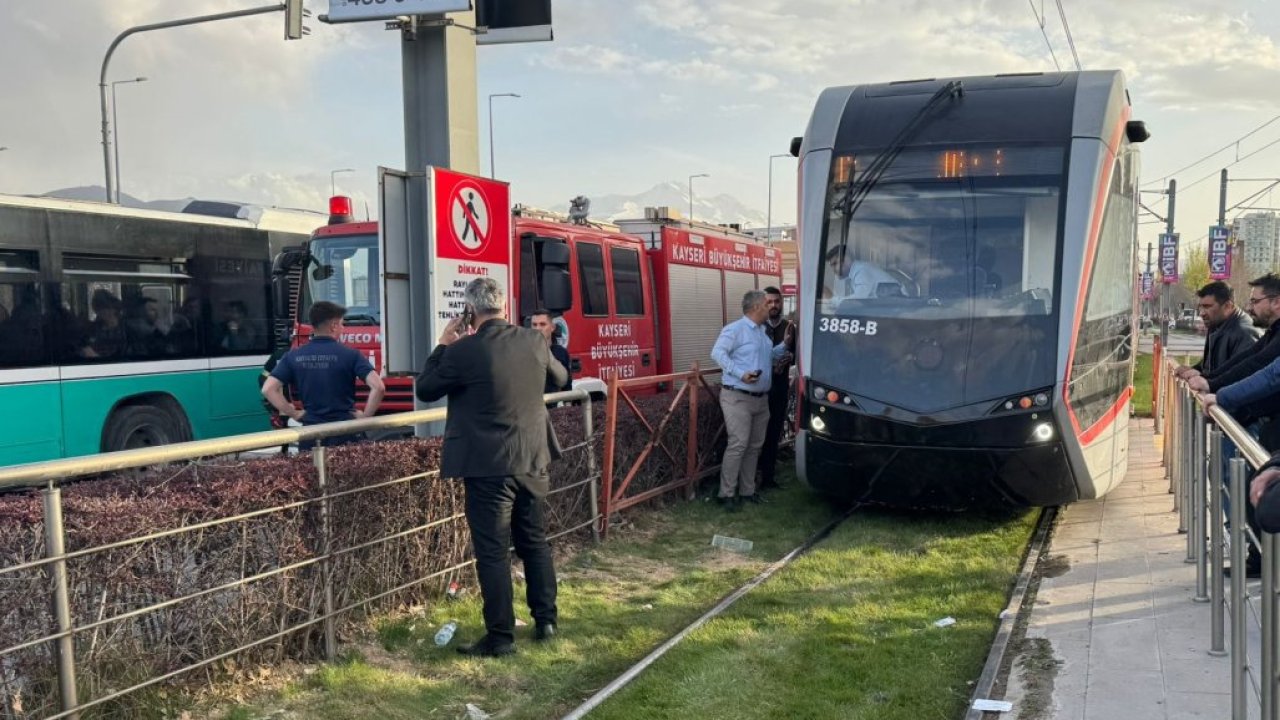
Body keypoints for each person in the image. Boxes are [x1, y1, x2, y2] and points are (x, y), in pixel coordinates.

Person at [415, 277, 568, 658]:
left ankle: (500, 637)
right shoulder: (533, 340)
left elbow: (426, 388)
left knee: (493, 552)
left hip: (487, 465)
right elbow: (561, 378)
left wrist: (442, 344)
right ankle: (546, 621)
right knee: (534, 541)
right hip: (533, 458)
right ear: (502, 306)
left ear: (471, 311)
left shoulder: (464, 350)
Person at [261, 300, 385, 450]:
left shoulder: (293, 356)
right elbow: (378, 387)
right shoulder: (351, 355)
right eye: (341, 324)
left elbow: (268, 389)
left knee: (314, 472)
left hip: (311, 433)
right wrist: (365, 418)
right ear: (333, 326)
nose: (343, 328)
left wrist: (293, 413)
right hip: (346, 432)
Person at [711, 290, 793, 510]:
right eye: (767, 304)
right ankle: (726, 494)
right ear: (757, 307)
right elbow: (718, 353)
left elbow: (767, 356)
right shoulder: (735, 329)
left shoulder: (762, 332)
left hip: (760, 399)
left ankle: (747, 491)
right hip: (738, 396)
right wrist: (740, 373)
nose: (771, 308)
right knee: (738, 444)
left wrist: (784, 346)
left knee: (754, 447)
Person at [1174, 281, 1259, 380]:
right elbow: (1210, 364)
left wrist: (1203, 378)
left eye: (1207, 307)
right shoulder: (1216, 323)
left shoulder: (1245, 333)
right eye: (1200, 307)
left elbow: (1241, 378)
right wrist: (1193, 370)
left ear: (1228, 306)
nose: (1201, 313)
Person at [757, 287, 796, 491]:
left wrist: (791, 358)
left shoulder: (790, 327)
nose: (773, 305)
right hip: (758, 390)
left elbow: (798, 355)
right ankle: (750, 479)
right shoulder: (756, 327)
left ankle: (768, 479)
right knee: (755, 435)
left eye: (777, 302)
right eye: (769, 302)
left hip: (779, 390)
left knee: (773, 434)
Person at [825, 245, 901, 303]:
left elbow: (858, 300)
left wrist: (832, 299)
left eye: (835, 264)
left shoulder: (861, 271)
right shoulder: (857, 270)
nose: (833, 269)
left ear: (846, 259)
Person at [529, 308, 572, 394]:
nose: (538, 328)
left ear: (552, 327)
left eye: (542, 324)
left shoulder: (560, 353)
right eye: (534, 324)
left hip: (553, 404)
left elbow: (565, 384)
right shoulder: (525, 351)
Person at [79, 289, 126, 359]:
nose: (103, 312)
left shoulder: (127, 330)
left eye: (106, 308)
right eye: (99, 310)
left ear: (115, 308)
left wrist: (95, 357)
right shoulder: (92, 329)